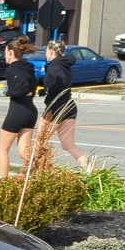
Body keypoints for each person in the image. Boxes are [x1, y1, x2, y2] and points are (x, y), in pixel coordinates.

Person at [39, 39, 89, 169]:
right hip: (69, 106)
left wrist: (49, 90)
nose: (46, 53)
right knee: (68, 144)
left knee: (41, 143)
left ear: (51, 51)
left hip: (56, 107)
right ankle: (90, 171)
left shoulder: (54, 65)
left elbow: (60, 80)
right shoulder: (64, 64)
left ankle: (43, 172)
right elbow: (61, 80)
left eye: (46, 50)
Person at [0, 35, 38, 179]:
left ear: (10, 52)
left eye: (5, 52)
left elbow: (19, 89)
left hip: (18, 111)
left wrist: (9, 92)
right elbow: (33, 85)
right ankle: (43, 172)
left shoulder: (12, 69)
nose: (4, 56)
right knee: (24, 152)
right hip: (30, 111)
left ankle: (3, 182)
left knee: (3, 150)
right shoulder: (29, 68)